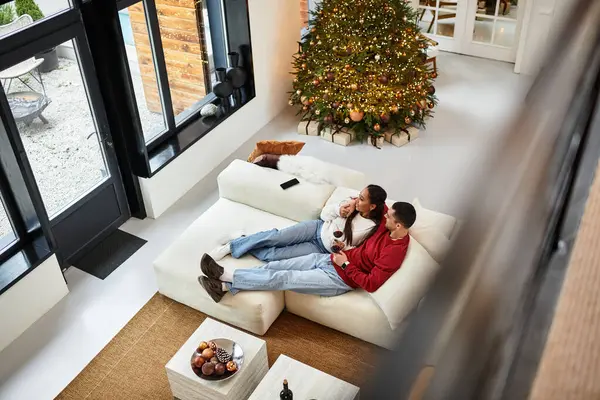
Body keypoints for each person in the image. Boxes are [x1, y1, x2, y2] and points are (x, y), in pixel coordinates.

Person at [198, 202, 417, 302]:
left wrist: (345, 265)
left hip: (339, 279)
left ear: (399, 226)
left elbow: (371, 283)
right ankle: (224, 288)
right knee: (276, 266)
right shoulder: (386, 227)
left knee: (283, 277)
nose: (385, 217)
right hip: (327, 259)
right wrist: (353, 203)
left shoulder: (394, 252)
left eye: (390, 218)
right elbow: (381, 203)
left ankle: (224, 276)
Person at [207, 185, 388, 263]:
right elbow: (324, 215)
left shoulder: (371, 227)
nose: (358, 200)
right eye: (360, 195)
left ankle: (243, 240)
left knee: (273, 256)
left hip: (321, 249)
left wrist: (343, 248)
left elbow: (356, 250)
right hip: (316, 228)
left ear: (372, 206)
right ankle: (231, 246)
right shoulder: (350, 204)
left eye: (362, 199)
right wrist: (338, 209)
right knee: (275, 238)